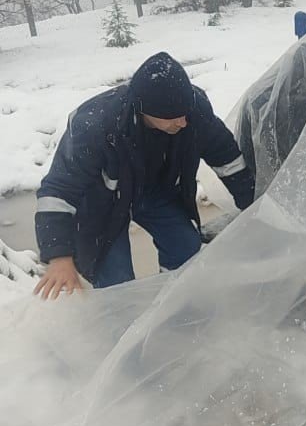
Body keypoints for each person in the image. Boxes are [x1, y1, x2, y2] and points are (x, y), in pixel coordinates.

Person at [34, 51, 255, 299]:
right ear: (144, 109)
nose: (182, 122)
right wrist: (59, 257)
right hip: (104, 203)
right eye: (173, 117)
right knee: (117, 282)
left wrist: (254, 207)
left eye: (185, 114)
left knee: (185, 247)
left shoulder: (193, 112)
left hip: (155, 192)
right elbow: (58, 191)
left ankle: (171, 303)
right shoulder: (96, 127)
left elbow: (228, 158)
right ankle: (123, 327)